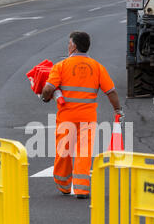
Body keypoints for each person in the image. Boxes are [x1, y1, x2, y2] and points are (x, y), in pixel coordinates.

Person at [41, 31, 123, 199]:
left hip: (66, 118)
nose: (68, 45)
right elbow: (111, 91)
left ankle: (64, 185)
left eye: (69, 43)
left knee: (64, 151)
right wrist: (117, 110)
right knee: (84, 152)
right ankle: (82, 189)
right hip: (88, 118)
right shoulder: (97, 67)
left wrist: (44, 97)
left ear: (74, 46)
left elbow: (48, 89)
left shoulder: (61, 66)